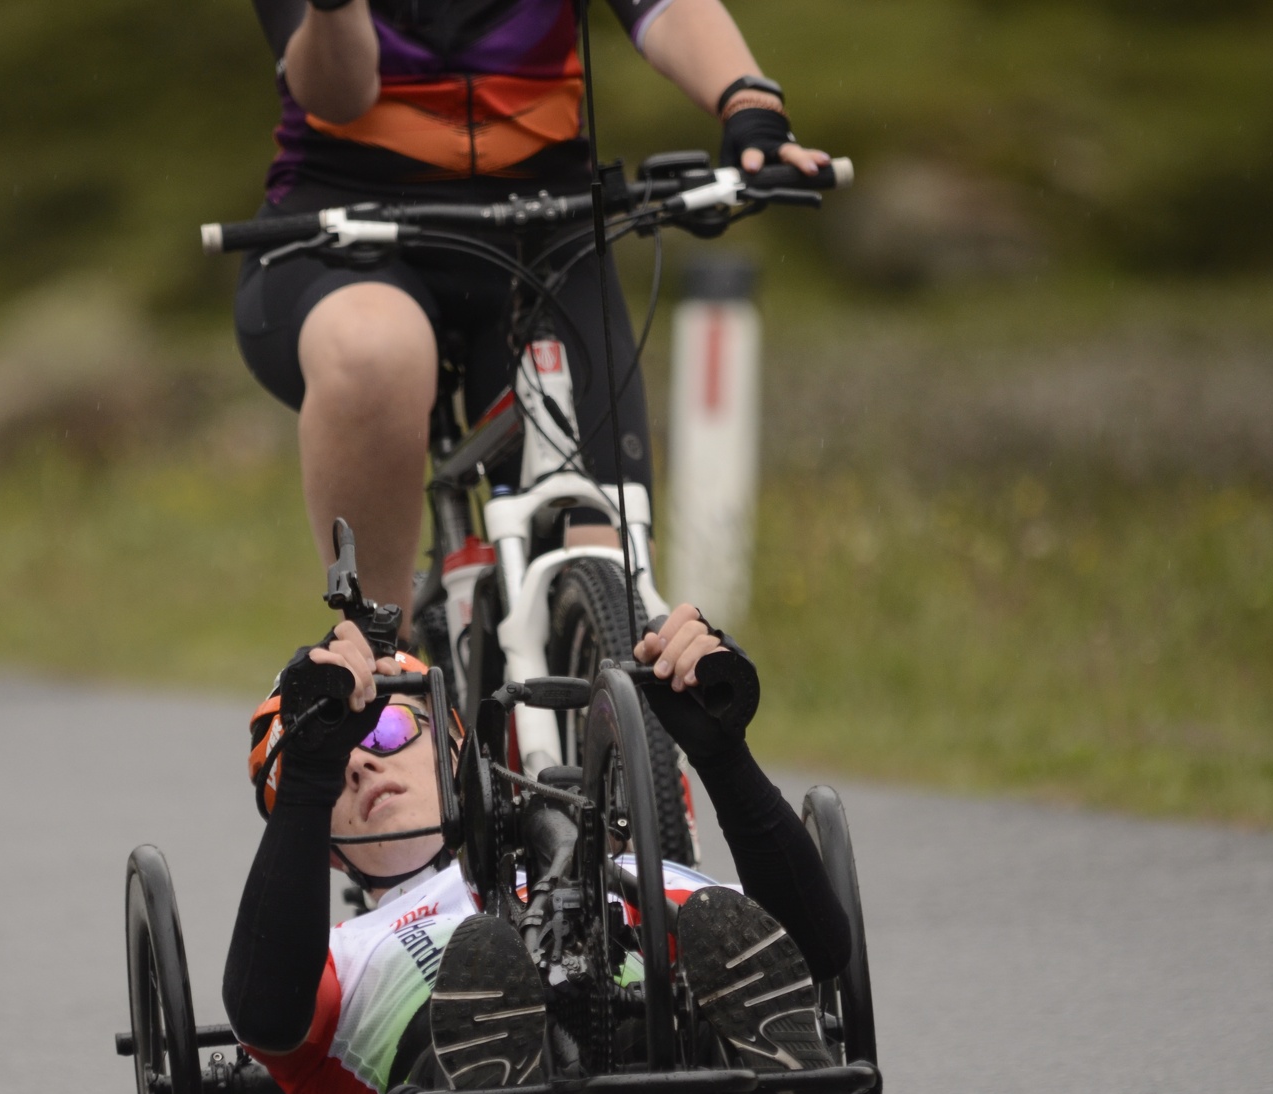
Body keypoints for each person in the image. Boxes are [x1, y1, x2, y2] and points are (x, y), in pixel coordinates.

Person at [222, 605, 859, 1094]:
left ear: (453, 745)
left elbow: (815, 953)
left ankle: (762, 1070)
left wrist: (723, 754)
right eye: (334, 767)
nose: (360, 764)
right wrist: (306, 781)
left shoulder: (628, 869)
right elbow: (268, 1018)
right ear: (325, 844)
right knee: (467, 988)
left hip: (658, 1075)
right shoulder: (337, 953)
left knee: (709, 949)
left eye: (384, 731)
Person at [234, 0, 831, 628]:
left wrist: (747, 100)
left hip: (543, 227)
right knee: (377, 350)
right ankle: (383, 653)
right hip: (349, 235)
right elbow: (338, 96)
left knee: (608, 569)